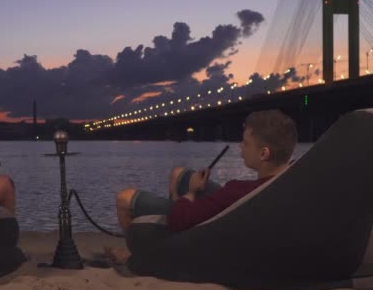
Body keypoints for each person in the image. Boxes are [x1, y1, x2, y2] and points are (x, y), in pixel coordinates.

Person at [106, 109, 298, 263]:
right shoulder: (291, 181)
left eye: (246, 143)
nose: (240, 146)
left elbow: (178, 220)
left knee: (125, 197)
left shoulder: (237, 190)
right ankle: (174, 205)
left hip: (210, 232)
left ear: (264, 154)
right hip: (242, 218)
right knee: (179, 174)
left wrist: (190, 193)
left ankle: (136, 257)